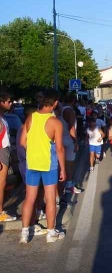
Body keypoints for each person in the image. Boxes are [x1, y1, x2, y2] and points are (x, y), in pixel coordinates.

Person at [20, 89, 66, 244]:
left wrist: (34, 150)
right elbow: (60, 148)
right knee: (50, 198)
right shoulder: (55, 122)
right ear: (55, 103)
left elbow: (22, 142)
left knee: (29, 198)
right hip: (49, 165)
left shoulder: (30, 118)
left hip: (31, 163)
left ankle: (25, 233)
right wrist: (64, 169)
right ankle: (51, 232)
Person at [16, 104, 47, 234]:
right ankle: (32, 224)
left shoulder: (22, 128)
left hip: (28, 164)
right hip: (30, 164)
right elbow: (25, 148)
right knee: (31, 196)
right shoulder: (26, 129)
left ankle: (36, 214)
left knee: (35, 192)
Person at [59, 93, 81, 195]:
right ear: (73, 101)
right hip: (68, 139)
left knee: (61, 164)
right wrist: (75, 141)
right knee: (70, 164)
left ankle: (63, 185)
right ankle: (69, 185)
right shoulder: (70, 111)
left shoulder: (60, 109)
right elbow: (71, 127)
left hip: (60, 138)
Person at [0, 92, 16, 222]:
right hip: (1, 151)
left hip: (4, 150)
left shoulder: (3, 117)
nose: (10, 104)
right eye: (8, 101)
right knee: (1, 183)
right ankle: (0, 212)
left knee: (3, 182)